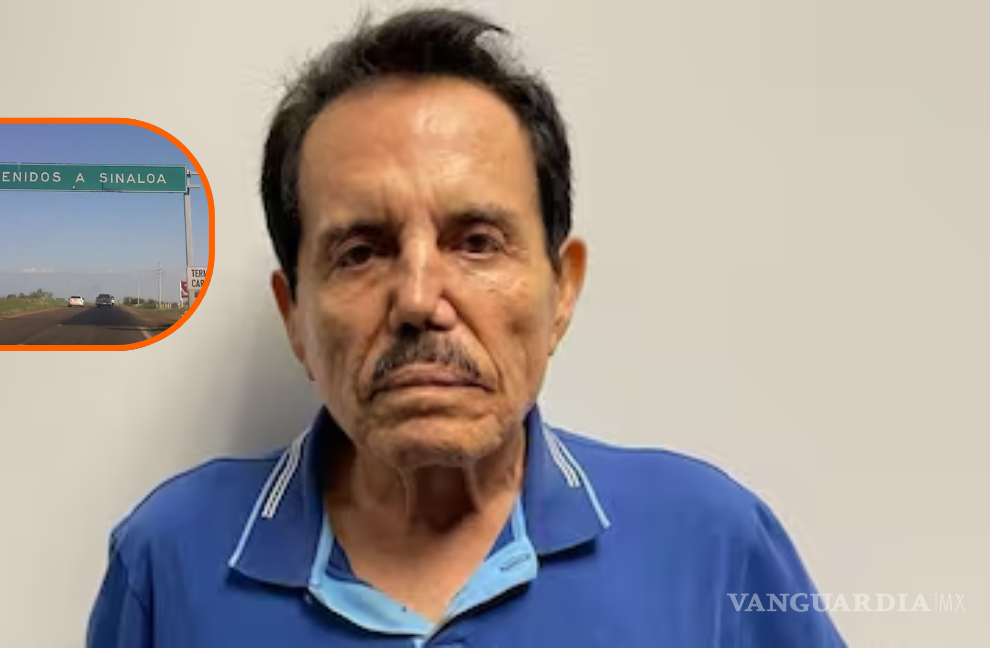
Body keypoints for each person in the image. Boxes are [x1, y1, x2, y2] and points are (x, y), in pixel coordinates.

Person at [87, 7, 846, 647]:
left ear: (562, 291)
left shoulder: (709, 546)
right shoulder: (170, 562)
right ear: (295, 316)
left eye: (477, 242)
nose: (420, 299)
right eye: (361, 252)